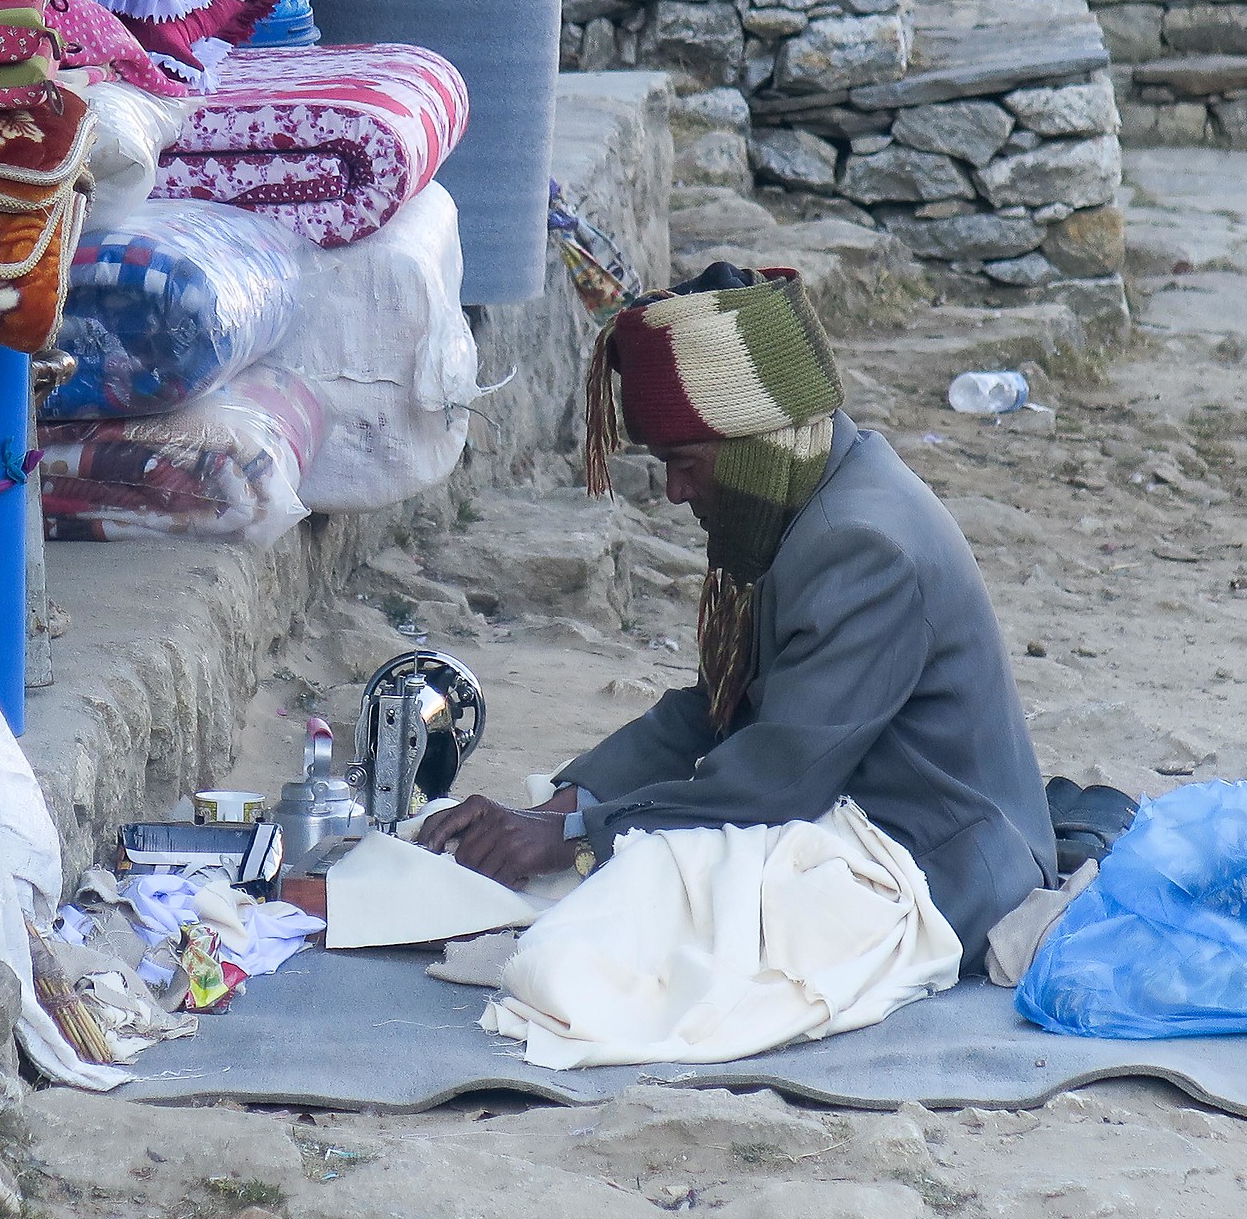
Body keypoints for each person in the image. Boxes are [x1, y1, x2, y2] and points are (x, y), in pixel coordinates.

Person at [418, 262, 1055, 971]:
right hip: (859, 820)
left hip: (949, 871)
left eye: (683, 461)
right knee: (619, 898)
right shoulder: (812, 496)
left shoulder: (862, 547)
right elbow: (720, 710)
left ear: (750, 438)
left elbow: (773, 785)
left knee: (633, 945)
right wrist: (564, 804)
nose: (672, 491)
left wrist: (573, 837)